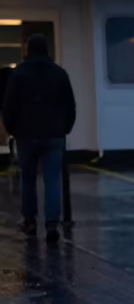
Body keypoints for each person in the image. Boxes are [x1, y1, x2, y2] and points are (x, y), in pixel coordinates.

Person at [1, 34, 76, 242]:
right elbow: (70, 105)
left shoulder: (18, 74)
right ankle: (52, 224)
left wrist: (13, 130)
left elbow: (8, 107)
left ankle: (30, 222)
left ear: (28, 50)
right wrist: (65, 128)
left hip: (26, 134)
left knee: (28, 179)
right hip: (54, 134)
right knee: (53, 179)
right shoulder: (60, 73)